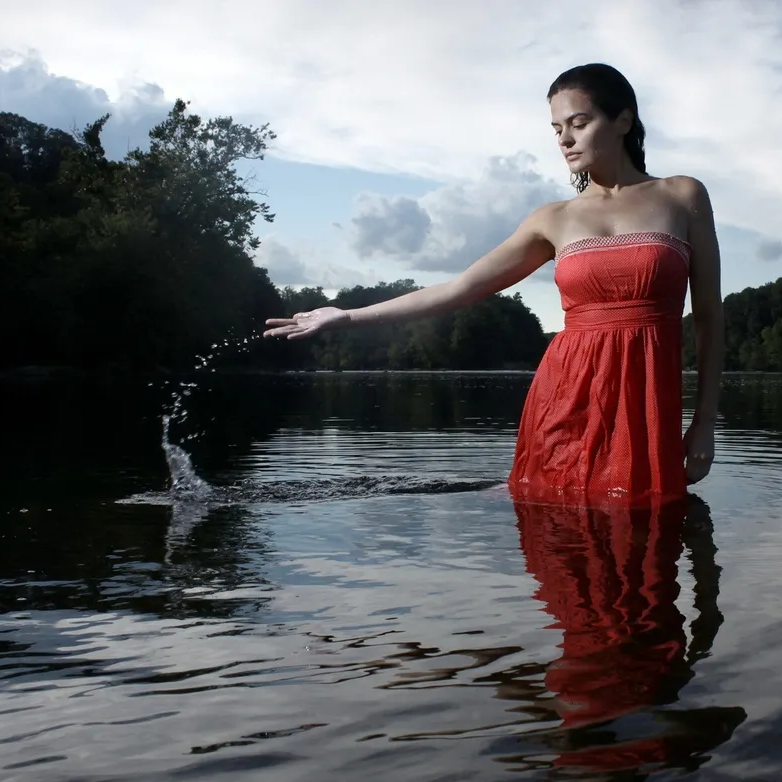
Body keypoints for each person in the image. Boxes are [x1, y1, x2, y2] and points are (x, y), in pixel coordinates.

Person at [264, 63, 724, 508]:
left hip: (645, 406)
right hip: (565, 401)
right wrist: (345, 316)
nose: (565, 138)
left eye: (579, 123)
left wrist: (704, 422)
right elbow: (461, 287)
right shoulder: (552, 219)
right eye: (556, 128)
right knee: (562, 540)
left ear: (623, 120)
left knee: (645, 545)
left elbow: (707, 316)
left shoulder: (681, 196)